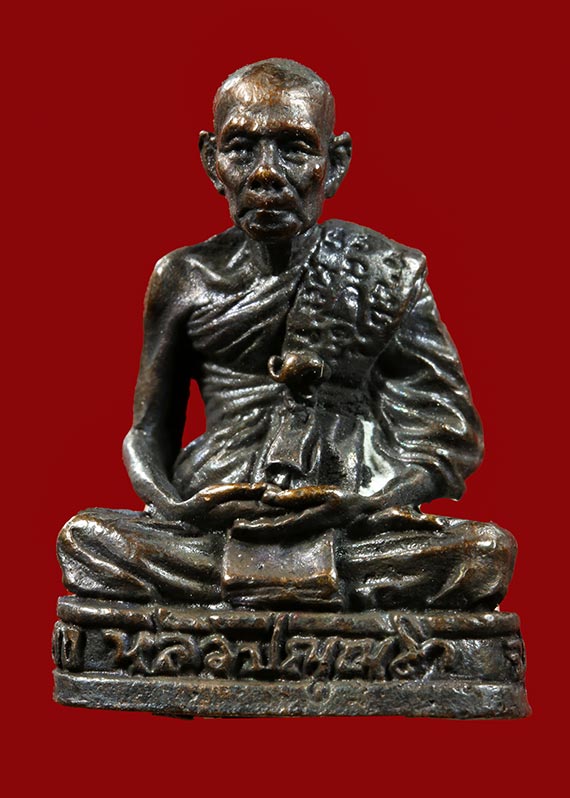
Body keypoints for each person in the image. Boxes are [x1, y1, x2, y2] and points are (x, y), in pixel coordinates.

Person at [58, 59, 516, 611]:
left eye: (294, 149)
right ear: (211, 161)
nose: (265, 174)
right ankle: (309, 591)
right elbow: (148, 432)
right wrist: (177, 509)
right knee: (86, 540)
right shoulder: (183, 278)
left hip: (349, 521)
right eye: (241, 149)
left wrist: (365, 504)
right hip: (217, 521)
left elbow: (448, 436)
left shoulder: (381, 272)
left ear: (334, 163)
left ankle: (259, 587)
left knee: (483, 554)